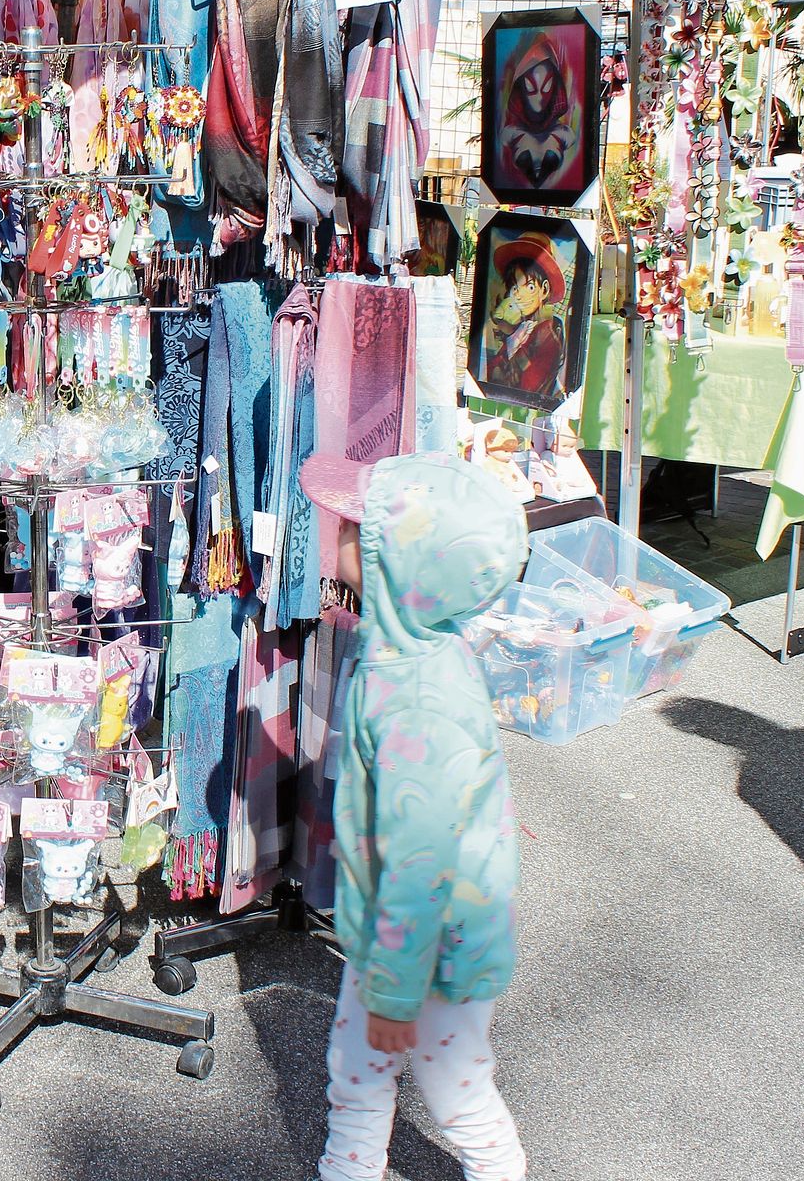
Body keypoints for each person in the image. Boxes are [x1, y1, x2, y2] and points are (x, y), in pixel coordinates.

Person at [299, 451, 530, 1181]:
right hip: (393, 935)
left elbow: (419, 858)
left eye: (354, 527)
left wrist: (396, 989)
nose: (333, 527)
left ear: (400, 564)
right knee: (355, 1065)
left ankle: (496, 1169)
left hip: (432, 946)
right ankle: (348, 1167)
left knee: (454, 1089)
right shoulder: (404, 646)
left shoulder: (419, 701)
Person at [482, 233, 567, 401]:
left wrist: (506, 367)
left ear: (544, 290)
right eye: (514, 288)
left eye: (528, 287)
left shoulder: (548, 331)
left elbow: (529, 384)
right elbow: (491, 371)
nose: (519, 296)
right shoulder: (520, 329)